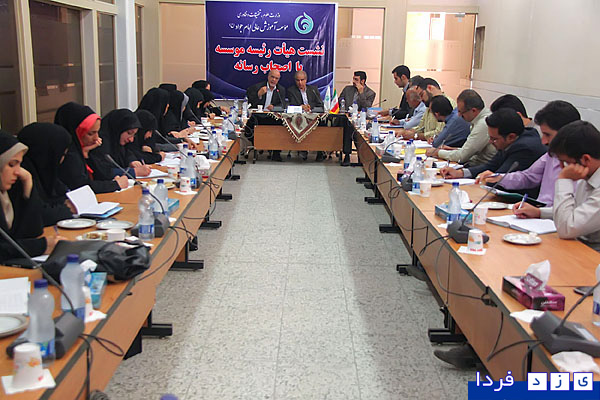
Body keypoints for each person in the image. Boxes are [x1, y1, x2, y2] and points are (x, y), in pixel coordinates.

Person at [478, 101, 581, 218]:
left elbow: (576, 212)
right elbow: (528, 177)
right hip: (538, 215)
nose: (543, 141)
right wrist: (500, 178)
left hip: (559, 220)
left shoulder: (584, 163)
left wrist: (540, 213)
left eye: (547, 135)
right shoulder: (551, 155)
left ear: (567, 133)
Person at [0, 130, 65, 262]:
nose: (18, 172)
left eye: (19, 164)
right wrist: (42, 246)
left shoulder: (6, 193)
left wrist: (28, 183)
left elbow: (33, 231)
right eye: (11, 164)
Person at [440, 108, 547, 185]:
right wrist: (460, 173)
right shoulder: (509, 141)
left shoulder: (524, 148)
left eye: (494, 139)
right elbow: (490, 166)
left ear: (511, 137)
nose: (490, 142)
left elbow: (497, 179)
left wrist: (488, 177)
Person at [549, 120, 600, 252]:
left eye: (565, 162)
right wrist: (539, 212)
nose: (562, 168)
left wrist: (564, 179)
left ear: (586, 159)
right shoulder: (588, 176)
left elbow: (566, 228)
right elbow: (577, 210)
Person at [54, 102, 128, 193]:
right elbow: (81, 186)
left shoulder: (82, 149)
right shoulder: (68, 154)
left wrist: (86, 154)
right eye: (90, 133)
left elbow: (101, 175)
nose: (96, 138)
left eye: (97, 132)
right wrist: (115, 185)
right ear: (76, 131)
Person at [17, 123, 74, 226]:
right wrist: (67, 209)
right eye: (61, 154)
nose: (63, 160)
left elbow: (59, 196)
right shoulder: (19, 177)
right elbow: (39, 216)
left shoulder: (42, 171)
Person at [427, 89, 496, 166]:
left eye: (461, 112)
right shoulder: (479, 119)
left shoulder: (483, 124)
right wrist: (452, 149)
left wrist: (437, 152)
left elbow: (462, 156)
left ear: (473, 110)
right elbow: (471, 151)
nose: (459, 115)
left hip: (480, 167)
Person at [88, 109, 150, 180]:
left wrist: (132, 161)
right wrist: (134, 172)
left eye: (134, 135)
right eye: (129, 133)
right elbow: (103, 172)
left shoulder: (117, 141)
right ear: (118, 128)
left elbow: (127, 152)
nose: (131, 139)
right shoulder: (99, 143)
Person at [286, 70, 326, 161]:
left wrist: (310, 107)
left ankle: (320, 151)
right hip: (299, 117)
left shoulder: (313, 89)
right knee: (299, 122)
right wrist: (301, 107)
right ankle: (302, 149)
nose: (300, 83)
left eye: (302, 80)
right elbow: (291, 105)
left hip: (313, 116)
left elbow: (320, 104)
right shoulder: (291, 90)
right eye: (298, 80)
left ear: (306, 80)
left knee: (322, 124)